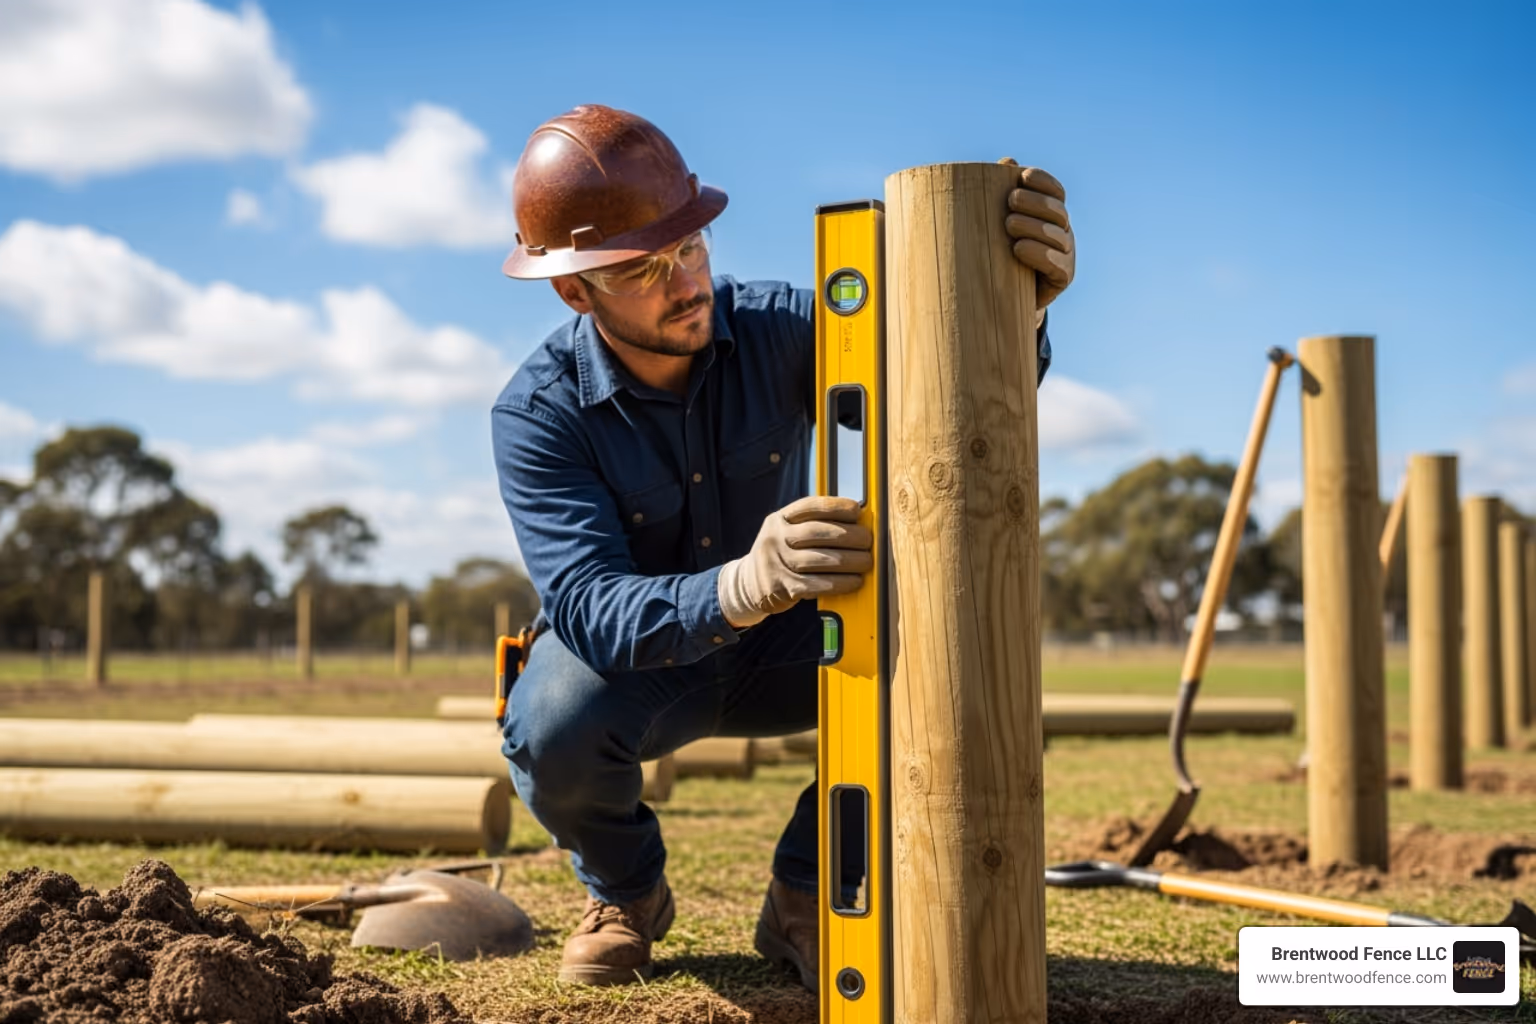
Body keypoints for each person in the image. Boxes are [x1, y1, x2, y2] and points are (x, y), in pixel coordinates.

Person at [490, 104, 1075, 990]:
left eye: (690, 246)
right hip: (648, 667)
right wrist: (741, 582)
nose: (685, 280)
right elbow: (588, 607)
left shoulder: (784, 329)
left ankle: (805, 890)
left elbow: (942, 389)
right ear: (576, 291)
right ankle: (626, 892)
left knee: (947, 634)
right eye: (644, 268)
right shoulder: (538, 413)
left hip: (793, 641)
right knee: (549, 722)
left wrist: (1014, 305)